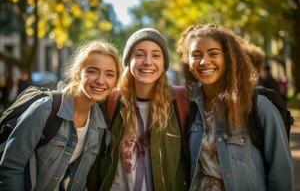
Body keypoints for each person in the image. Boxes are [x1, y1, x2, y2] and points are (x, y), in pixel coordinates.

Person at [177, 24, 293, 191]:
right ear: (188, 62)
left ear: (228, 57)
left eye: (213, 53)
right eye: (196, 55)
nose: (204, 61)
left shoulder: (258, 106)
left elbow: (281, 175)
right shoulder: (190, 105)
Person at [0, 40, 121, 190]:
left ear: (116, 81)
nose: (101, 80)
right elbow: (10, 168)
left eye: (110, 74)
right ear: (78, 74)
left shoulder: (99, 126)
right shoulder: (45, 109)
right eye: (92, 71)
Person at [87, 28, 188, 191]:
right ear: (129, 61)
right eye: (139, 54)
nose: (148, 62)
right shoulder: (110, 102)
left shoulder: (181, 102)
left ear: (164, 63)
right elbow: (93, 161)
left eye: (156, 55)